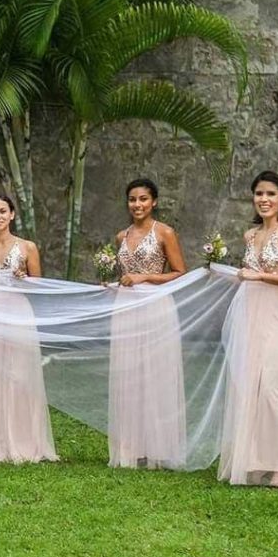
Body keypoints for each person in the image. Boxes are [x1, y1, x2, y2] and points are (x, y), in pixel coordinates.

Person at [219, 171, 278, 488]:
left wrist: (261, 277)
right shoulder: (250, 235)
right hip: (249, 310)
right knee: (249, 386)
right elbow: (247, 274)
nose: (264, 199)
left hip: (277, 311)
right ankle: (255, 462)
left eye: (271, 193)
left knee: (271, 386)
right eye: (259, 193)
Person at [0, 193, 57, 463]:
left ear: (12, 215)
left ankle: (24, 439)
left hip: (18, 312)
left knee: (20, 375)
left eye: (3, 211)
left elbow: (38, 286)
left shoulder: (27, 247)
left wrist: (23, 279)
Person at [107, 178, 187, 469]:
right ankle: (132, 447)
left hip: (156, 307)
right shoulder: (121, 236)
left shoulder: (164, 232)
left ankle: (159, 446)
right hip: (126, 308)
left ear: (154, 202)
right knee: (128, 374)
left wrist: (146, 277)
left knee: (156, 373)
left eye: (143, 199)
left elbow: (179, 272)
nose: (137, 204)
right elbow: (125, 275)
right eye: (132, 199)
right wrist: (114, 283)